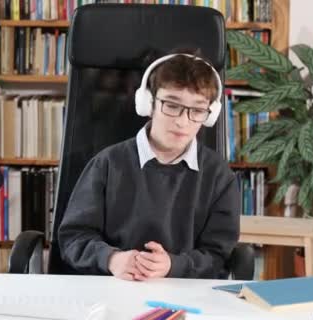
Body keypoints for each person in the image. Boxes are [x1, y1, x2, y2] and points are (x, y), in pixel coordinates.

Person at [57, 50, 240, 281]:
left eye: (197, 110)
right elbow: (73, 238)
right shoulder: (107, 164)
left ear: (210, 115)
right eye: (172, 105)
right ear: (148, 104)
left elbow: (218, 255)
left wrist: (173, 265)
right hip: (112, 286)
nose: (183, 121)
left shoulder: (219, 177)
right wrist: (112, 259)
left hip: (185, 291)